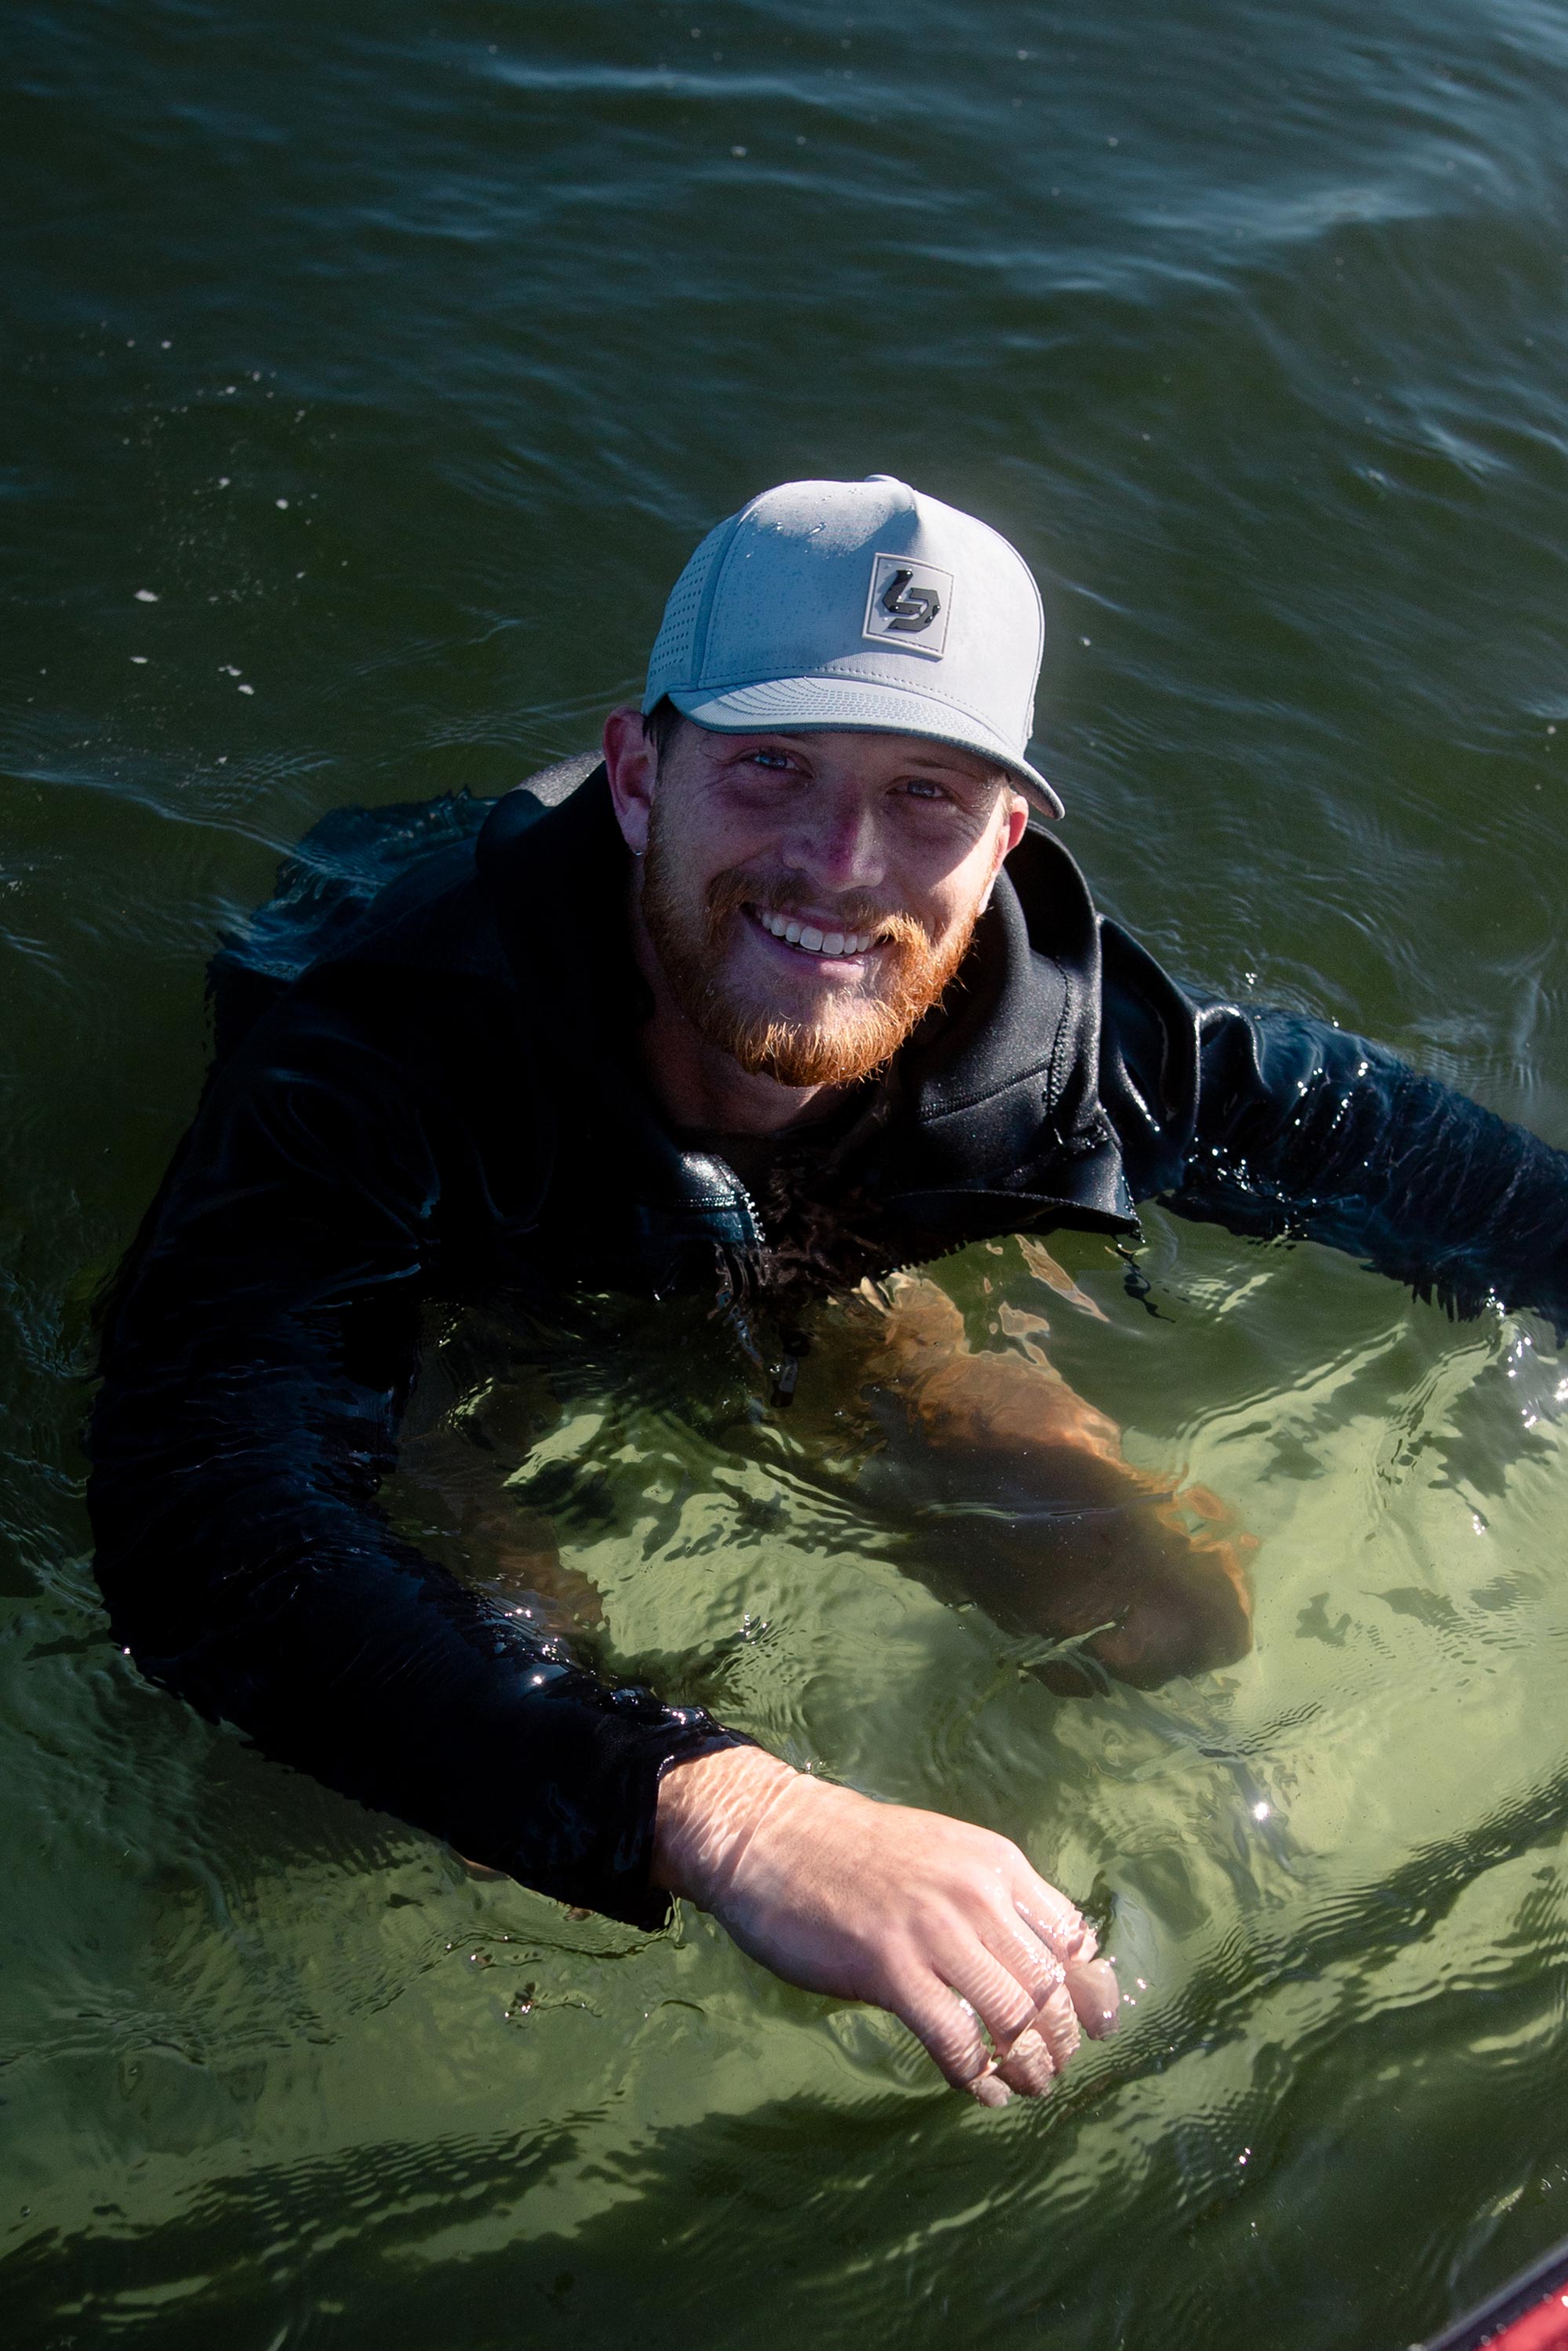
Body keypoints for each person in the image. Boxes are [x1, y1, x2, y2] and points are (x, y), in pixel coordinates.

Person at [89, 475, 1568, 2111]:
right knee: (487, 1715)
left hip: (808, 1235)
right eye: (772, 767)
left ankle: (871, 1315)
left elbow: (1441, 1174)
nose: (838, 867)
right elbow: (202, 1523)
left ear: (1006, 837)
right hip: (466, 1285)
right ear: (642, 775)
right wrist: (728, 1812)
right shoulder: (373, 1062)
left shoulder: (1065, 1045)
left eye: (924, 797)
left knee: (1159, 1608)